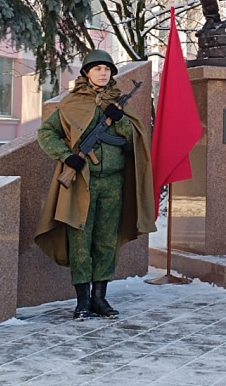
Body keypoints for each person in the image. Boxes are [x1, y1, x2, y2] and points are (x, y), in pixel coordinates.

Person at [35, 50, 156, 320]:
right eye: (97, 68)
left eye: (107, 69)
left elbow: (134, 141)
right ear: (86, 73)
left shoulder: (120, 104)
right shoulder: (72, 103)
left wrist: (121, 119)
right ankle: (82, 302)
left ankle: (100, 299)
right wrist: (67, 156)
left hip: (113, 183)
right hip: (80, 183)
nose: (103, 73)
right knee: (80, 241)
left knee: (106, 241)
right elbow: (46, 133)